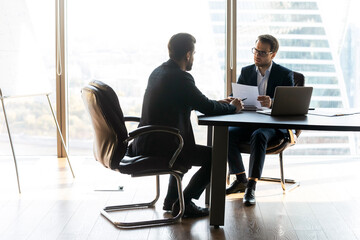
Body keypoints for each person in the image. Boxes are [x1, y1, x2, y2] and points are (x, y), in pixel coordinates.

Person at [129, 33, 243, 218]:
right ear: (188, 54)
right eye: (194, 54)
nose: (194, 58)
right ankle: (185, 202)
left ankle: (172, 200)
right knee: (216, 157)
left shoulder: (159, 71)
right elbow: (205, 106)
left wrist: (221, 103)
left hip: (146, 141)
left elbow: (194, 101)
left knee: (187, 152)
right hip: (165, 145)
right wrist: (232, 108)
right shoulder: (181, 78)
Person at [226, 34, 294, 206]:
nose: (257, 55)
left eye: (262, 52)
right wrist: (231, 99)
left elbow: (291, 104)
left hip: (273, 125)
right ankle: (241, 179)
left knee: (259, 136)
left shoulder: (285, 74)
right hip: (249, 121)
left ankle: (252, 186)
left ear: (273, 54)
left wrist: (272, 102)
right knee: (226, 133)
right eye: (255, 50)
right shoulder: (246, 71)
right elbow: (236, 95)